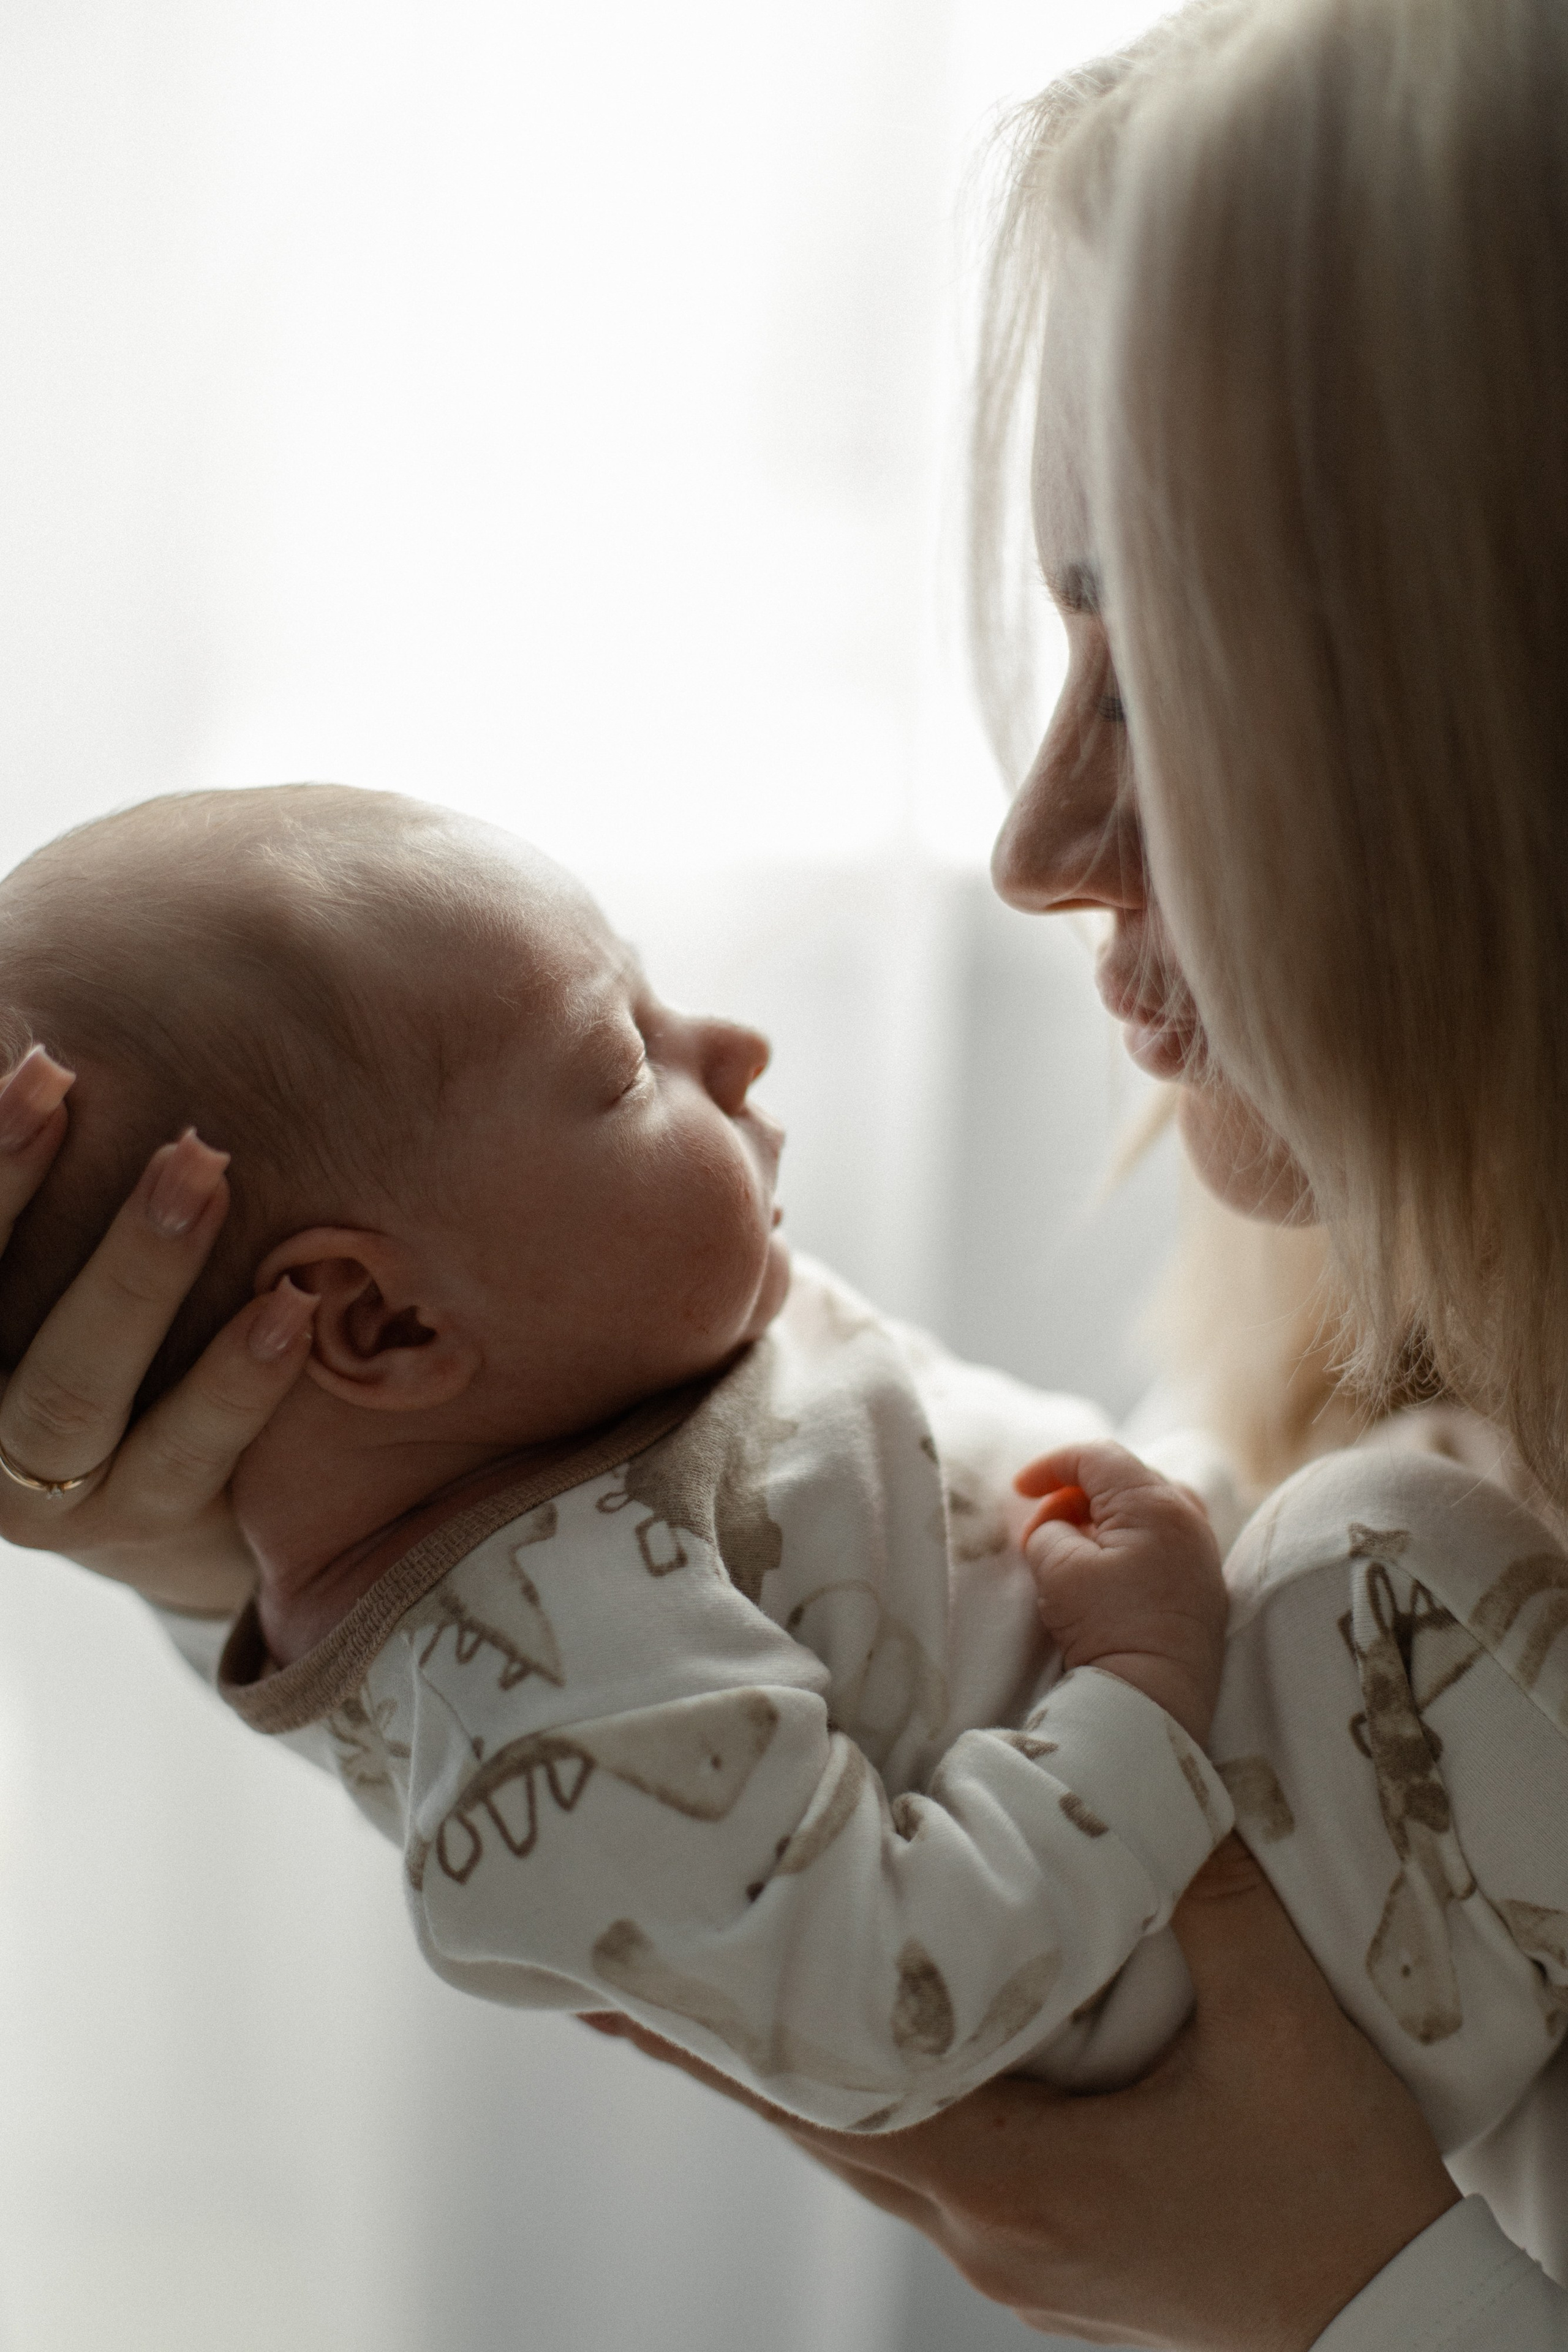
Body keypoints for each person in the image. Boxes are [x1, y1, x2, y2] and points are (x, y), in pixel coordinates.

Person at [0, 0, 1564, 2338]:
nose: (1036, 847)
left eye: (1175, 694)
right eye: (1064, 646)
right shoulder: (1361, 1322)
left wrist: (1356, 2289)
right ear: (385, 1322)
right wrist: (239, 1529)